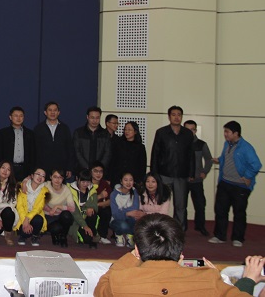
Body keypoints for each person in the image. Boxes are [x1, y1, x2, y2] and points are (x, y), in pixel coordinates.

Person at [95, 214, 265, 297]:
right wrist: (249, 280)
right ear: (180, 252)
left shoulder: (119, 280)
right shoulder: (209, 279)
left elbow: (101, 289)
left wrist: (132, 257)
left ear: (137, 250)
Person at [210, 120, 261, 247]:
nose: (225, 134)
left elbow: (256, 164)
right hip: (224, 183)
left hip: (240, 187)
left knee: (239, 212)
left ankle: (238, 238)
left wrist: (247, 176)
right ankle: (220, 236)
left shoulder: (246, 147)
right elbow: (226, 157)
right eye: (225, 131)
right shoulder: (226, 144)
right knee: (220, 210)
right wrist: (219, 160)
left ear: (236, 133)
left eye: (227, 132)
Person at [151, 105, 194, 229]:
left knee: (181, 205)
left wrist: (191, 173)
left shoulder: (187, 134)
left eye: (179, 115)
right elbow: (155, 153)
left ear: (182, 117)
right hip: (164, 173)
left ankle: (179, 230)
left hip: (182, 174)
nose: (176, 117)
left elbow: (191, 155)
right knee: (161, 203)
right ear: (169, 117)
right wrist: (154, 174)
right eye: (173, 115)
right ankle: (159, 228)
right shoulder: (161, 132)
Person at [184, 119, 213, 236]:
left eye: (192, 129)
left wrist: (205, 171)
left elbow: (209, 159)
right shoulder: (179, 144)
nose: (190, 132)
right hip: (183, 180)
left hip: (197, 180)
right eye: (187, 129)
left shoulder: (201, 144)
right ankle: (182, 226)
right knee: (181, 205)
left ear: (195, 131)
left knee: (200, 204)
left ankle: (200, 226)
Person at [33, 101, 73, 180]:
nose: (52, 112)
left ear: (58, 112)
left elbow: (70, 149)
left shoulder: (65, 128)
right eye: (50, 110)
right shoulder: (38, 128)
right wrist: (34, 169)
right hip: (43, 169)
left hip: (61, 168)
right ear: (45, 112)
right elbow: (34, 150)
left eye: (55, 110)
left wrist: (69, 167)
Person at [0, 106, 35, 181]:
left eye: (21, 116)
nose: (18, 118)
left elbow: (32, 154)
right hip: (8, 169)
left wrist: (32, 171)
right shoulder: (2, 133)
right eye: (16, 116)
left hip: (25, 170)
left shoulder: (30, 134)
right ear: (10, 117)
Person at [15, 168, 48, 246]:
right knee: (23, 231)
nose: (40, 177)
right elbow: (20, 206)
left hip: (34, 215)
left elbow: (38, 209)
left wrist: (28, 219)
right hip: (22, 216)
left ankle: (35, 236)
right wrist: (24, 221)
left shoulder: (45, 191)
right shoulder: (22, 187)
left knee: (38, 219)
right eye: (38, 174)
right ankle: (23, 236)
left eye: (43, 176)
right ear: (32, 176)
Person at [73, 106, 111, 173]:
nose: (95, 120)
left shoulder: (105, 134)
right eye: (92, 117)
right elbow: (77, 152)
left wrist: (98, 169)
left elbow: (107, 153)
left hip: (100, 172)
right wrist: (87, 167)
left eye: (97, 118)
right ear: (87, 117)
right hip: (82, 171)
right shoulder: (78, 132)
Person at [109, 121, 147, 188]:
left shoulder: (140, 147)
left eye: (129, 130)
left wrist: (139, 180)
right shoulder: (118, 144)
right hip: (117, 179)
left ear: (135, 132)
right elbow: (112, 162)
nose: (127, 132)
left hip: (133, 180)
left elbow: (142, 166)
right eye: (125, 129)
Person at [43, 168, 75, 247]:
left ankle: (63, 236)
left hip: (60, 215)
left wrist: (58, 207)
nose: (57, 180)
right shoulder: (45, 186)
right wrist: (50, 210)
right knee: (56, 228)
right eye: (55, 177)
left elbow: (72, 208)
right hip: (48, 215)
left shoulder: (66, 189)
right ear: (50, 177)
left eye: (60, 177)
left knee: (67, 216)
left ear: (63, 179)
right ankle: (54, 235)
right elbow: (40, 202)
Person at [68, 169, 99, 248]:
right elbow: (75, 212)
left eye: (88, 182)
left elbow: (95, 206)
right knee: (86, 240)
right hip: (76, 221)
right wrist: (84, 226)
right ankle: (87, 234)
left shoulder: (92, 190)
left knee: (92, 212)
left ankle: (92, 232)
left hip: (87, 218)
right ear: (77, 179)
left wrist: (89, 208)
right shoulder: (69, 191)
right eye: (83, 181)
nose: (85, 184)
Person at [110, 172, 141, 247]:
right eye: (126, 180)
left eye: (131, 180)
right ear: (121, 181)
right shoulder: (114, 194)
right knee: (123, 226)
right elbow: (115, 214)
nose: (128, 183)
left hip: (131, 218)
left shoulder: (135, 192)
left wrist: (122, 211)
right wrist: (127, 213)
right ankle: (118, 234)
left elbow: (135, 208)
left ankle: (130, 236)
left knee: (138, 224)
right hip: (116, 220)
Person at [91, 161, 113, 244]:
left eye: (101, 171)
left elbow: (110, 200)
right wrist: (100, 196)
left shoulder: (104, 183)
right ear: (91, 172)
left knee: (107, 211)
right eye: (96, 171)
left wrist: (98, 204)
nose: (98, 174)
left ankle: (103, 235)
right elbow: (86, 200)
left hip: (100, 206)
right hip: (88, 207)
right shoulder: (86, 182)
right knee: (91, 212)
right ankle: (92, 234)